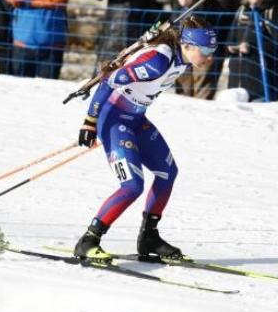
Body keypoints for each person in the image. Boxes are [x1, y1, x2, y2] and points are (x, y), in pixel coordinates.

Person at [73, 15, 218, 261]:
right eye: (205, 50)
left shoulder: (180, 57)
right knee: (132, 186)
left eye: (212, 50)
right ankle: (88, 241)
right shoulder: (158, 61)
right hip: (113, 119)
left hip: (136, 119)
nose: (209, 57)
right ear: (188, 45)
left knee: (167, 172)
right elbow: (110, 78)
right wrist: (90, 121)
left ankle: (149, 236)